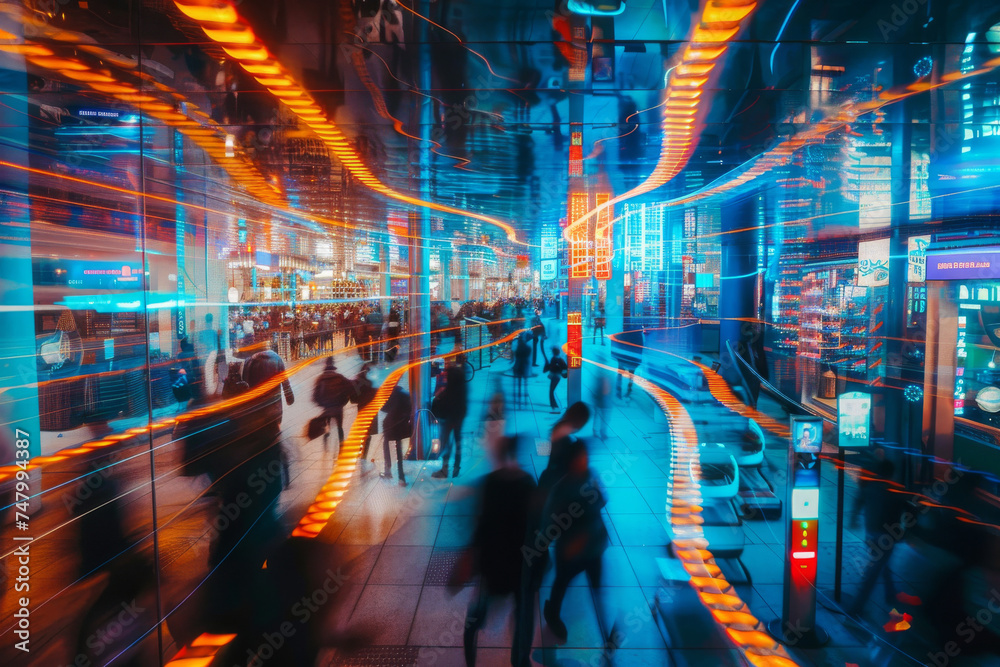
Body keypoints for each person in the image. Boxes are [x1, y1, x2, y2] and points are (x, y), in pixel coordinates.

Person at [463, 435, 536, 667]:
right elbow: (535, 528)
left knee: (475, 618)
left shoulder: (489, 483)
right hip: (518, 562)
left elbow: (481, 524)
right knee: (522, 612)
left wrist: (473, 555)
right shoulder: (527, 483)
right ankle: (520, 659)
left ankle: (470, 659)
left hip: (492, 562)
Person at [542, 438, 610, 648]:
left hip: (594, 547)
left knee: (597, 588)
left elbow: (603, 499)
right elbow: (553, 521)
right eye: (580, 457)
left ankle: (605, 631)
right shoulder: (563, 487)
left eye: (586, 457)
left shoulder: (591, 475)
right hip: (571, 551)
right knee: (562, 582)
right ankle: (552, 612)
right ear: (571, 460)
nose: (584, 461)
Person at [848, 447, 906, 618]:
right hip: (886, 537)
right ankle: (855, 608)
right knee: (873, 573)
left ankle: (890, 593)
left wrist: (854, 518)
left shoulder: (870, 488)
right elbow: (903, 513)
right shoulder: (893, 492)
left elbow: (858, 502)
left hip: (871, 534)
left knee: (881, 563)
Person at [432, 362, 468, 478]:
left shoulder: (449, 392)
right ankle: (457, 467)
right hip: (459, 417)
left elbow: (440, 403)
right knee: (458, 442)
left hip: (448, 419)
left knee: (446, 443)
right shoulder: (462, 389)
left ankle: (445, 469)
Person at [313, 357, 353, 453]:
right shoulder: (340, 377)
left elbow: (315, 396)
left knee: (327, 426)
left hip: (327, 408)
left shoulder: (320, 379)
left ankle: (326, 445)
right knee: (340, 428)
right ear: (333, 365)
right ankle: (341, 446)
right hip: (338, 408)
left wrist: (322, 404)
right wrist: (344, 401)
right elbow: (350, 388)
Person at [380, 385, 410, 485]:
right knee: (399, 451)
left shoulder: (389, 396)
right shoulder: (405, 395)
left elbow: (383, 408)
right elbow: (409, 409)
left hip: (390, 426)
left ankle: (387, 470)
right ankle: (401, 477)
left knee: (386, 446)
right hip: (401, 426)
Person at [542, 346, 568, 413]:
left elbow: (552, 368)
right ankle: (553, 405)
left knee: (551, 392)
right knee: (552, 391)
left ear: (553, 352)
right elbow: (565, 367)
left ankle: (555, 406)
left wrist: (548, 367)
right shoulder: (560, 359)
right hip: (558, 377)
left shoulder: (554, 359)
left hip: (555, 377)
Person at [512, 332, 531, 408]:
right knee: (525, 385)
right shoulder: (528, 348)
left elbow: (515, 358)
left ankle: (519, 402)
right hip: (524, 367)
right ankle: (525, 402)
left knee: (518, 385)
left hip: (518, 367)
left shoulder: (517, 350)